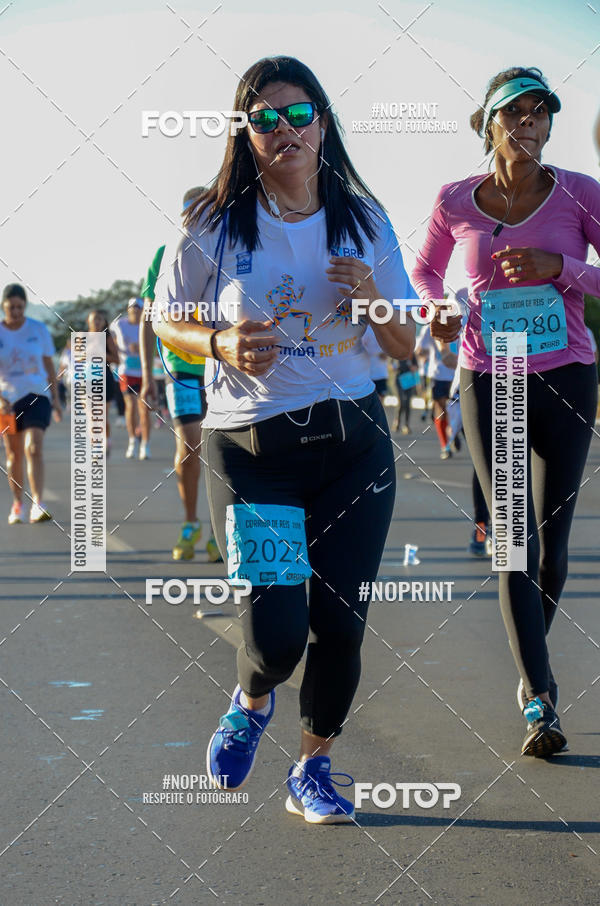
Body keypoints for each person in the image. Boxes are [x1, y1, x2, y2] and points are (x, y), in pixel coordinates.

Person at [154, 55, 417, 822]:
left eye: (298, 115)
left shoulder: (364, 220)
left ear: (323, 125)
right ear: (246, 134)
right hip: (253, 453)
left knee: (339, 621)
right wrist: (220, 344)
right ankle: (252, 696)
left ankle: (314, 769)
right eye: (264, 120)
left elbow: (404, 347)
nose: (284, 131)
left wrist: (369, 297)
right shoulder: (214, 220)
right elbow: (167, 317)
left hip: (354, 447)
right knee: (276, 638)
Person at [413, 66, 600, 757]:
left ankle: (529, 671)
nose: (529, 125)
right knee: (512, 541)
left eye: (540, 114)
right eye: (514, 114)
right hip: (492, 378)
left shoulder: (579, 194)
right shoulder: (455, 200)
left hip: (566, 375)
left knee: (553, 552)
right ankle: (541, 699)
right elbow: (427, 271)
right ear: (488, 122)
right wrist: (437, 307)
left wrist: (564, 270)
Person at [139, 187, 221, 562]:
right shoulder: (164, 255)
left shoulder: (229, 247)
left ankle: (223, 529)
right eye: (190, 214)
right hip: (182, 368)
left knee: (225, 451)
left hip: (223, 367)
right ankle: (191, 523)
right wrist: (145, 373)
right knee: (189, 446)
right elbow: (147, 320)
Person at [0, 283, 61, 523]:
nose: (15, 311)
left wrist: (56, 398)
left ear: (25, 306)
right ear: (4, 306)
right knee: (13, 455)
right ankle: (17, 504)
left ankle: (38, 502)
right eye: (11, 307)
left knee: (33, 448)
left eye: (20, 307)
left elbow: (48, 365)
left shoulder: (38, 329)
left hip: (37, 395)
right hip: (7, 401)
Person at [111, 298, 151, 459]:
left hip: (145, 372)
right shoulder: (119, 324)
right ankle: (133, 441)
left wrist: (142, 348)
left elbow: (156, 344)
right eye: (131, 308)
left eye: (138, 308)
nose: (134, 311)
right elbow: (109, 340)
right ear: (128, 310)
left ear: (142, 310)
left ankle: (145, 444)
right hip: (126, 371)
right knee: (131, 406)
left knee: (144, 409)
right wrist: (117, 352)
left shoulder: (148, 325)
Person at [415, 323, 458, 459]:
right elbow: (419, 349)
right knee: (441, 409)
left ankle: (454, 431)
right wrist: (422, 352)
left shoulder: (461, 321)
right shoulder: (430, 327)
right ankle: (445, 446)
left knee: (457, 410)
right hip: (438, 374)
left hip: (458, 375)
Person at [86, 310, 119, 457]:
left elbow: (117, 359)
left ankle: (107, 440)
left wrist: (102, 354)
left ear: (104, 322)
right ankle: (95, 446)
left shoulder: (106, 337)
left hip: (104, 378)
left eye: (99, 319)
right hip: (86, 379)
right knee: (91, 416)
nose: (97, 322)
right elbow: (76, 358)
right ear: (89, 322)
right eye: (94, 319)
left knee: (100, 416)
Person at [361, 326, 389, 400]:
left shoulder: (386, 329)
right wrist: (377, 353)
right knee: (373, 400)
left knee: (381, 399)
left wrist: (387, 353)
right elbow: (359, 347)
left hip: (382, 373)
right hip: (370, 374)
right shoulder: (366, 329)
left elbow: (391, 347)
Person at [392, 354, 418, 433]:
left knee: (407, 403)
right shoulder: (394, 351)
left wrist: (413, 367)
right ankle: (397, 421)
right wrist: (394, 367)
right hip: (399, 380)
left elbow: (416, 366)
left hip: (409, 380)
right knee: (401, 402)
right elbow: (391, 365)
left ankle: (406, 425)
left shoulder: (410, 353)